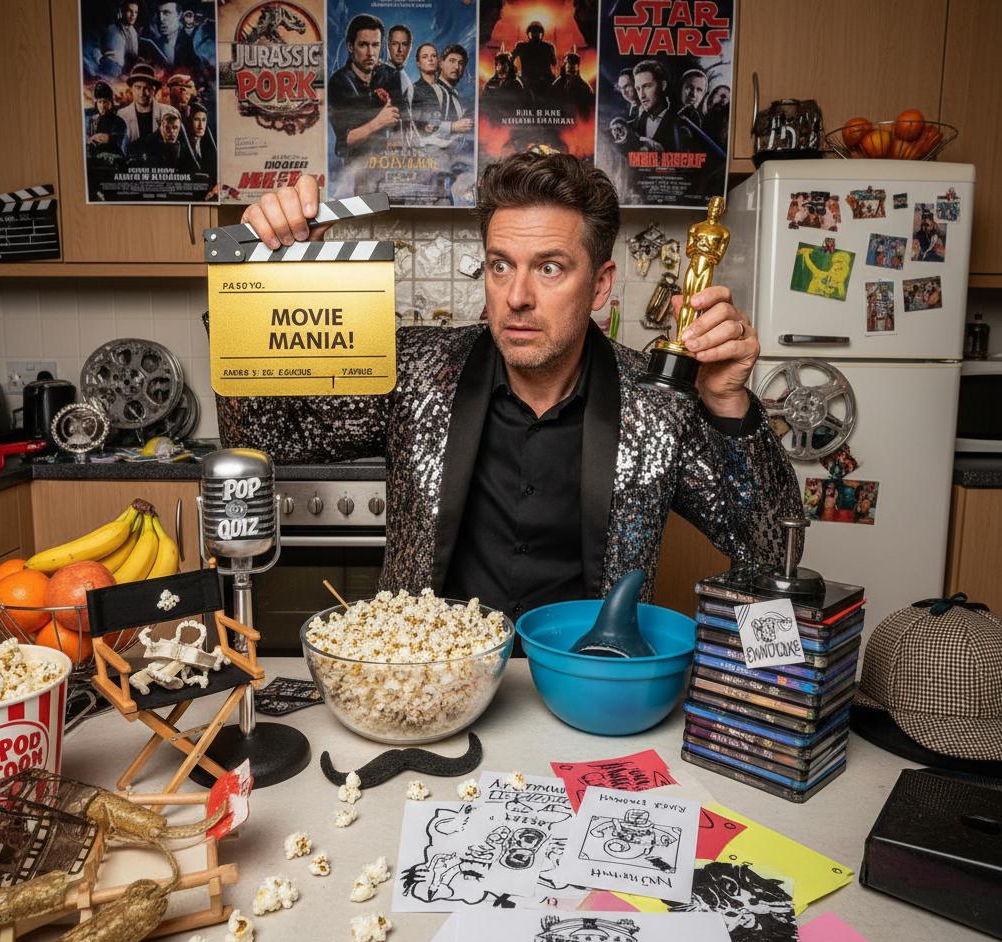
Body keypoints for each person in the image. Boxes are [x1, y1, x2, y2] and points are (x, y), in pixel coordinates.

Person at [226, 153, 801, 620]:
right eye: (501, 265)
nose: (517, 297)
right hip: (431, 689)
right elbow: (262, 437)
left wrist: (728, 401)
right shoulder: (415, 369)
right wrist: (262, 279)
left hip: (585, 690)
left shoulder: (656, 401)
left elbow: (771, 549)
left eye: (549, 268)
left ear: (600, 285)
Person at [327, 14, 402, 162]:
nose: (370, 53)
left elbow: (401, 125)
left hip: (390, 163)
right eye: (363, 45)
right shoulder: (339, 82)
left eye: (375, 45)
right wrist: (378, 122)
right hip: (357, 168)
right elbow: (343, 144)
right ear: (350, 47)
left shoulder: (391, 75)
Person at [117, 62, 181, 147]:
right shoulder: (122, 115)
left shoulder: (169, 112)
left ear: (154, 89)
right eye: (138, 87)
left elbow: (182, 146)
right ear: (131, 89)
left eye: (146, 88)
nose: (142, 93)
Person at [512, 22, 556, 99]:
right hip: (528, 81)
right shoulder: (522, 46)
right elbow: (509, 59)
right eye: (533, 32)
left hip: (543, 82)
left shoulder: (548, 47)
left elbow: (554, 63)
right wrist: (514, 70)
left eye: (537, 32)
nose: (535, 35)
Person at [99, 0, 140, 78]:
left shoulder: (134, 33)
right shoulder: (111, 28)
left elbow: (133, 56)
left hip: (123, 72)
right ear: (122, 11)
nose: (133, 15)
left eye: (136, 12)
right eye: (130, 11)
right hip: (109, 68)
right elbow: (102, 48)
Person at [387, 24, 413, 96]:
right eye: (395, 44)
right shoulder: (377, 75)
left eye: (404, 44)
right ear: (388, 46)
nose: (400, 49)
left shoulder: (407, 82)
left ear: (410, 48)